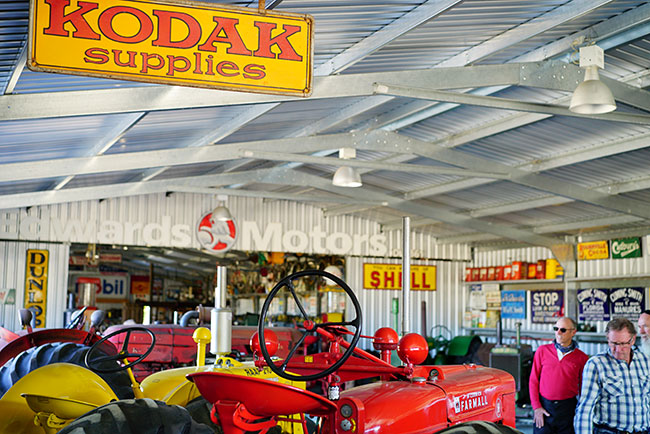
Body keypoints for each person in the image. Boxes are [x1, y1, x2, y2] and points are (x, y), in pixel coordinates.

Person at [574, 317, 650, 434]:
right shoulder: (596, 364)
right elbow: (585, 409)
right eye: (613, 343)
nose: (618, 349)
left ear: (633, 340)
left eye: (624, 344)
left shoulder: (645, 361)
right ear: (608, 339)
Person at [529, 317, 589, 434]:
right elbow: (533, 381)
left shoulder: (582, 358)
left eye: (563, 330)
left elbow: (583, 387)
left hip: (568, 409)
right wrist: (536, 408)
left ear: (573, 332)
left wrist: (581, 411)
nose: (558, 332)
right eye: (556, 329)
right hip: (544, 407)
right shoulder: (542, 351)